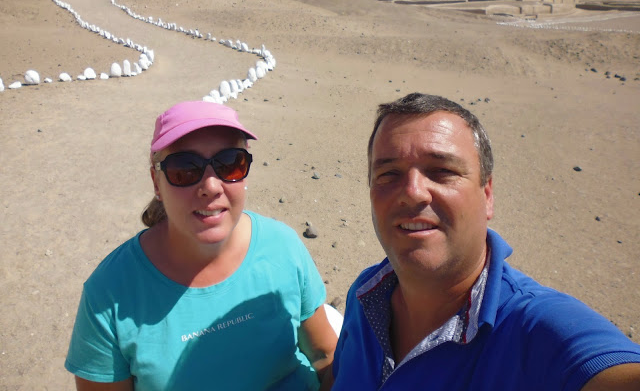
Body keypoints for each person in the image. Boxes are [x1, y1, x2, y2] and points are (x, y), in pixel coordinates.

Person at [323, 93, 640, 390]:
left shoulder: (538, 331)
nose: (412, 192)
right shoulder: (366, 294)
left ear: (487, 195)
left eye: (442, 170)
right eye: (389, 174)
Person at [65, 101, 338, 390]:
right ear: (156, 182)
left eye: (230, 163)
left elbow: (325, 355)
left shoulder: (283, 247)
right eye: (184, 169)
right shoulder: (109, 294)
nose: (211, 186)